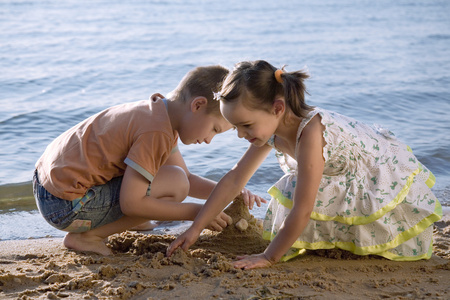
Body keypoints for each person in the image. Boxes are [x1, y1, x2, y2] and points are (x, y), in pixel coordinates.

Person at [167, 60, 443, 269]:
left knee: (310, 202)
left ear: (277, 108)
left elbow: (303, 208)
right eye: (235, 127)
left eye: (246, 125)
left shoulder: (311, 133)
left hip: (371, 169)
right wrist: (195, 229)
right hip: (336, 172)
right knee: (305, 191)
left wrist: (268, 256)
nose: (240, 134)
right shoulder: (269, 129)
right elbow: (235, 179)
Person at [33, 65, 265, 256]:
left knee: (177, 178)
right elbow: (132, 204)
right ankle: (88, 236)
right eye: (214, 129)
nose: (208, 141)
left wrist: (234, 192)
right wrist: (196, 212)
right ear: (197, 105)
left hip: (49, 188)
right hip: (65, 206)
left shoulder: (159, 113)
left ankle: (130, 223)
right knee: (175, 183)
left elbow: (190, 179)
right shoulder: (156, 132)